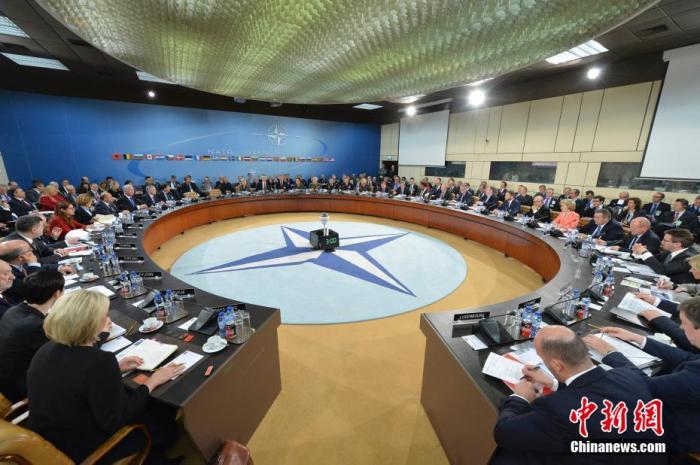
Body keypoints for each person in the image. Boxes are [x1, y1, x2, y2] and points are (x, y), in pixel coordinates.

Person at [27, 290, 186, 464]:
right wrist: (152, 382)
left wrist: (117, 368)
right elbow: (117, 419)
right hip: (87, 448)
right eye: (104, 315)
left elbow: (77, 377)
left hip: (51, 441)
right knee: (161, 408)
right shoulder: (99, 361)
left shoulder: (46, 349)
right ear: (91, 324)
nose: (107, 319)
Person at [492, 326, 665, 465]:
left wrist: (520, 398)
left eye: (541, 359)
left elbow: (504, 434)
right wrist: (553, 383)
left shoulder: (558, 408)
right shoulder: (628, 375)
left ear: (557, 365)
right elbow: (593, 394)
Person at [584, 297, 700, 454]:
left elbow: (644, 386)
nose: (681, 327)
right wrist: (638, 339)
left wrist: (611, 353)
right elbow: (688, 358)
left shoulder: (696, 374)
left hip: (680, 429)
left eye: (685, 323)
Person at [0, 270, 64, 402]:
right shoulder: (36, 326)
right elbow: (69, 356)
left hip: (10, 382)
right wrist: (101, 334)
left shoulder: (14, 310)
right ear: (57, 294)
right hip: (26, 391)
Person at [632, 229, 696, 284]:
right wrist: (639, 253)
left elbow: (662, 270)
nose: (662, 242)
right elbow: (654, 260)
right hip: (662, 282)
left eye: (665, 240)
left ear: (677, 244)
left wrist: (644, 252)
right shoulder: (671, 250)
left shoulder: (688, 258)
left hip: (675, 288)